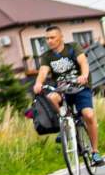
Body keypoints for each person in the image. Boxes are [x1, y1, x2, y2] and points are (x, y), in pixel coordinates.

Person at [33, 24, 103, 165]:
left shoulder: (73, 47)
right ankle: (66, 125)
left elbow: (83, 62)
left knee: (88, 115)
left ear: (61, 37)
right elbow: (43, 72)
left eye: (52, 37)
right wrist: (38, 83)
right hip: (62, 89)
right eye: (47, 38)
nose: (49, 41)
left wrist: (84, 75)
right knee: (52, 97)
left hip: (80, 87)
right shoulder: (47, 56)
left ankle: (95, 152)